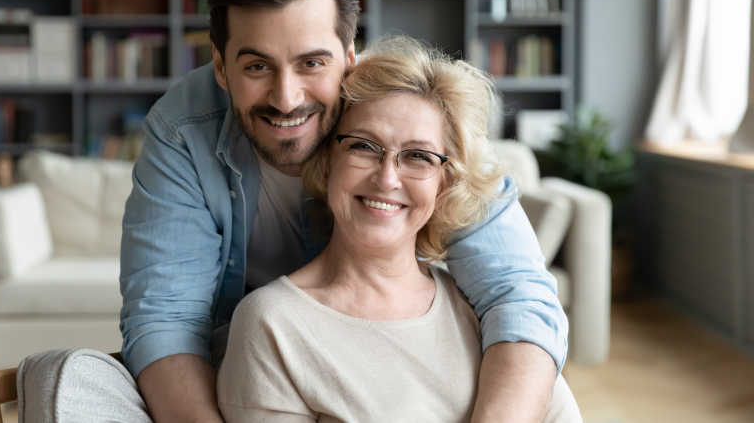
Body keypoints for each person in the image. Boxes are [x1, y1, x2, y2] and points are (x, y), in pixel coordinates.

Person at [17, 0, 566, 423]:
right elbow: (165, 322)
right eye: (257, 67)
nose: (286, 98)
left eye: (312, 63)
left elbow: (517, 294)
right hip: (250, 366)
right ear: (220, 66)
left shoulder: (405, 111)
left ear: (350, 58)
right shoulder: (183, 131)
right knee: (64, 377)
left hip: (383, 350)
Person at [216, 36, 582, 422]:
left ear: (445, 183)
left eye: (419, 157)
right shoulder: (271, 326)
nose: (387, 178)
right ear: (327, 162)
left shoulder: (494, 320)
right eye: (363, 146)